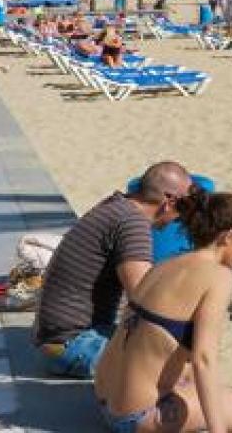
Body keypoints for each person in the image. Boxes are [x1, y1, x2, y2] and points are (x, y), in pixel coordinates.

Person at [94, 190, 232, 433]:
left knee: (195, 380)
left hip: (104, 399)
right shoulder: (219, 277)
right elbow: (204, 359)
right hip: (137, 418)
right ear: (229, 235)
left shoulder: (163, 266)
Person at [33, 161, 193, 378]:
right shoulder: (132, 223)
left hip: (59, 337)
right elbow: (145, 298)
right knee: (177, 367)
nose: (183, 217)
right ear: (169, 201)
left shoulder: (116, 205)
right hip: (74, 345)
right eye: (186, 207)